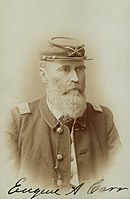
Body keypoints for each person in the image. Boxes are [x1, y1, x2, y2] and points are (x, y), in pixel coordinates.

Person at [6, 37, 121, 190]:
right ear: (43, 75)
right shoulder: (18, 121)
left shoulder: (103, 117)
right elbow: (7, 185)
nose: (75, 78)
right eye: (65, 69)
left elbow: (121, 178)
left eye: (80, 69)